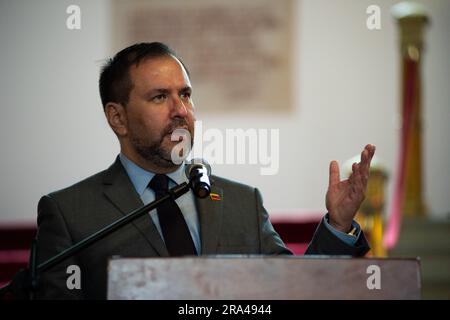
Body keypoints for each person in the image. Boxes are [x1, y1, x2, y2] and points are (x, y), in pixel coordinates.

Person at [34, 42, 375, 299]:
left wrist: (338, 223)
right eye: (159, 97)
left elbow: (292, 290)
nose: (181, 110)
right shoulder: (69, 214)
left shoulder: (243, 202)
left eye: (186, 94)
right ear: (117, 117)